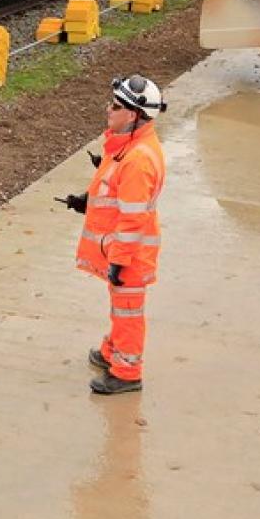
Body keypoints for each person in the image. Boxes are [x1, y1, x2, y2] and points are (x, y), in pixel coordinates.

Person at [61, 73, 167, 395]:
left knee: (127, 312)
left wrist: (119, 262)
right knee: (120, 308)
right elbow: (113, 189)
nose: (108, 109)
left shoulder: (137, 160)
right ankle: (112, 352)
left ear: (133, 115)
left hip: (129, 255)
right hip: (123, 251)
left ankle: (126, 372)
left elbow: (133, 219)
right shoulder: (127, 145)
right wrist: (88, 202)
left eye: (116, 105)